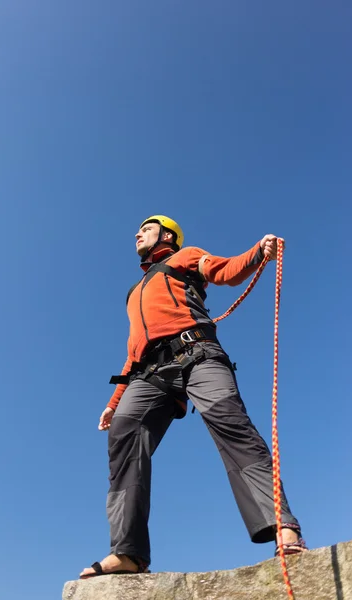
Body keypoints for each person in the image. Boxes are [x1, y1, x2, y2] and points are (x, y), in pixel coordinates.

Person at [80, 215, 307, 578]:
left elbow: (223, 270)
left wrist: (256, 254)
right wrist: (113, 401)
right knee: (122, 432)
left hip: (197, 353)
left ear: (167, 235)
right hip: (149, 373)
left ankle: (281, 525)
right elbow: (132, 351)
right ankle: (127, 553)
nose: (138, 233)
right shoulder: (133, 292)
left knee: (230, 422)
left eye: (147, 228)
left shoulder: (184, 257)